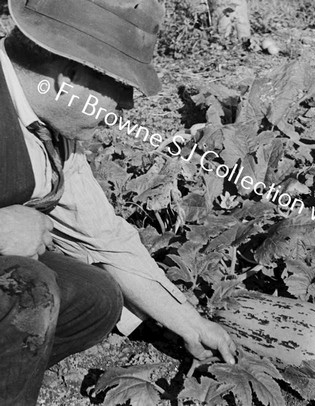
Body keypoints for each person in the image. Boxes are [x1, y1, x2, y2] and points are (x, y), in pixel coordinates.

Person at [0, 1, 238, 404]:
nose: (126, 105)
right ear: (68, 76)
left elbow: (103, 236)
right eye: (121, 85)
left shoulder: (52, 132)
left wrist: (190, 323)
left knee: (96, 297)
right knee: (30, 289)